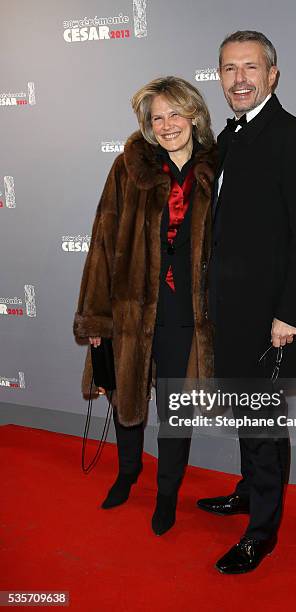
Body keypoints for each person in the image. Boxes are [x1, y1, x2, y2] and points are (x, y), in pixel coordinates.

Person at [197, 31, 296, 573]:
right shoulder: (230, 137)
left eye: (250, 67)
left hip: (273, 318)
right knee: (247, 416)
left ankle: (261, 532)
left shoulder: (292, 137)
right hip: (231, 315)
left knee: (266, 424)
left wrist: (289, 315)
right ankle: (249, 493)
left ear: (272, 74)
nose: (239, 79)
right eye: (229, 69)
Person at [73, 76, 216, 536]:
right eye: (158, 116)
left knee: (176, 411)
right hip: (131, 309)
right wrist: (96, 317)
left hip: (185, 316)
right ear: (148, 125)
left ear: (193, 114)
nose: (167, 124)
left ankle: (168, 492)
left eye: (175, 113)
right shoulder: (127, 169)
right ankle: (127, 472)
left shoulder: (217, 171)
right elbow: (102, 243)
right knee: (127, 399)